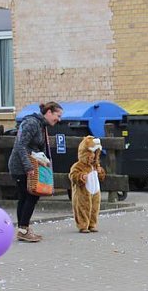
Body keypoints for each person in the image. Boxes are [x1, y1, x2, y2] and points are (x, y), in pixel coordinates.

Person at [8, 101, 62, 242]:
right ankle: (23, 229)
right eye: (58, 115)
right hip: (20, 166)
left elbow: (38, 148)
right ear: (49, 112)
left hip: (28, 165)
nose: (59, 119)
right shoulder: (31, 123)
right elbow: (20, 146)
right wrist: (28, 167)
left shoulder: (41, 125)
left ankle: (22, 229)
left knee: (25, 197)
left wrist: (45, 161)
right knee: (31, 196)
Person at [68, 136, 105, 233]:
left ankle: (92, 224)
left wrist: (101, 172)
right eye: (91, 153)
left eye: (95, 153)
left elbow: (101, 177)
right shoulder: (78, 165)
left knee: (94, 207)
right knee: (83, 207)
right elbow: (72, 175)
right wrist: (80, 176)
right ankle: (83, 225)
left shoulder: (95, 165)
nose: (93, 156)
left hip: (95, 190)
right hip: (84, 191)